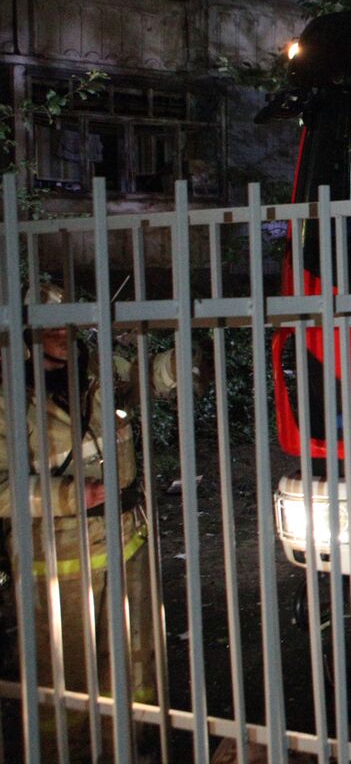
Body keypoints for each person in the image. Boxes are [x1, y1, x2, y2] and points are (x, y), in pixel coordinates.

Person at [0, 282, 183, 758]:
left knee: (134, 662)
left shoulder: (98, 369)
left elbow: (148, 379)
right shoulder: (8, 396)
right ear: (24, 330)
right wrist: (64, 495)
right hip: (57, 557)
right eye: (48, 324)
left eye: (67, 321)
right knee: (67, 672)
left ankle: (137, 744)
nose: (61, 332)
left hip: (126, 541)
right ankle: (71, 752)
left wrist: (185, 358)